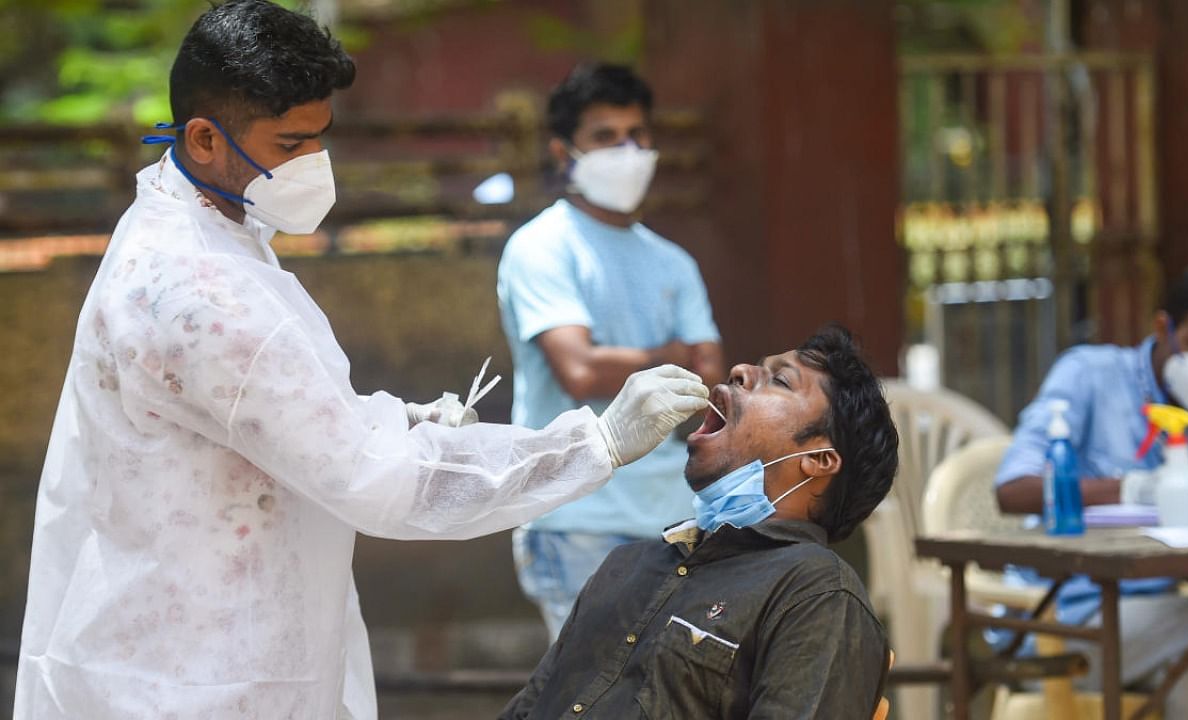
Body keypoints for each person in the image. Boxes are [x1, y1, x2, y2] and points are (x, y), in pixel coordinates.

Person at [13, 3, 709, 719]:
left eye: (320, 139)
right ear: (203, 138)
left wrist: (397, 418)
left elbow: (253, 412)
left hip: (186, 642)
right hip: (196, 678)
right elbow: (380, 483)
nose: (313, 164)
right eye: (290, 143)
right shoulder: (202, 292)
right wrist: (594, 442)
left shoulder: (197, 221)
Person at [500, 325, 897, 720]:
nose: (740, 370)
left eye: (779, 380)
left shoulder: (816, 593)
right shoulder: (625, 565)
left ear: (820, 459)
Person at [497, 63, 724, 642]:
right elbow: (579, 370)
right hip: (574, 514)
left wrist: (630, 359)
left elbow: (708, 377)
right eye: (605, 136)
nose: (628, 150)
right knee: (596, 697)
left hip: (673, 516)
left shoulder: (673, 260)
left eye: (638, 134)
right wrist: (669, 353)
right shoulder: (542, 247)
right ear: (562, 150)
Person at [995, 261, 1188, 719]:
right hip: (1064, 617)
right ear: (1163, 327)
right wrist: (1131, 489)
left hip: (1156, 617)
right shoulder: (1089, 375)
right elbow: (1012, 490)